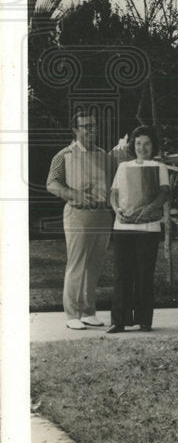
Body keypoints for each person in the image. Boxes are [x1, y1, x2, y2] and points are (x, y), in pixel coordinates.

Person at [46, 108, 117, 330]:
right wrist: (74, 194)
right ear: (76, 130)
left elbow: (114, 182)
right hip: (78, 214)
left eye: (94, 126)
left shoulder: (103, 155)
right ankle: (72, 314)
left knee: (94, 264)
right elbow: (52, 183)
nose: (91, 130)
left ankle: (88, 311)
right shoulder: (64, 155)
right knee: (77, 264)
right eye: (86, 126)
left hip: (102, 214)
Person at [106, 126, 170, 333]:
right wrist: (117, 210)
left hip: (148, 227)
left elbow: (164, 193)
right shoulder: (123, 166)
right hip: (122, 226)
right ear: (133, 145)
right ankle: (119, 320)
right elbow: (113, 194)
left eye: (147, 143)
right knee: (121, 274)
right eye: (138, 143)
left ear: (154, 146)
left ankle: (144, 320)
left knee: (144, 274)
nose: (142, 147)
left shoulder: (159, 167)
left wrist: (148, 208)